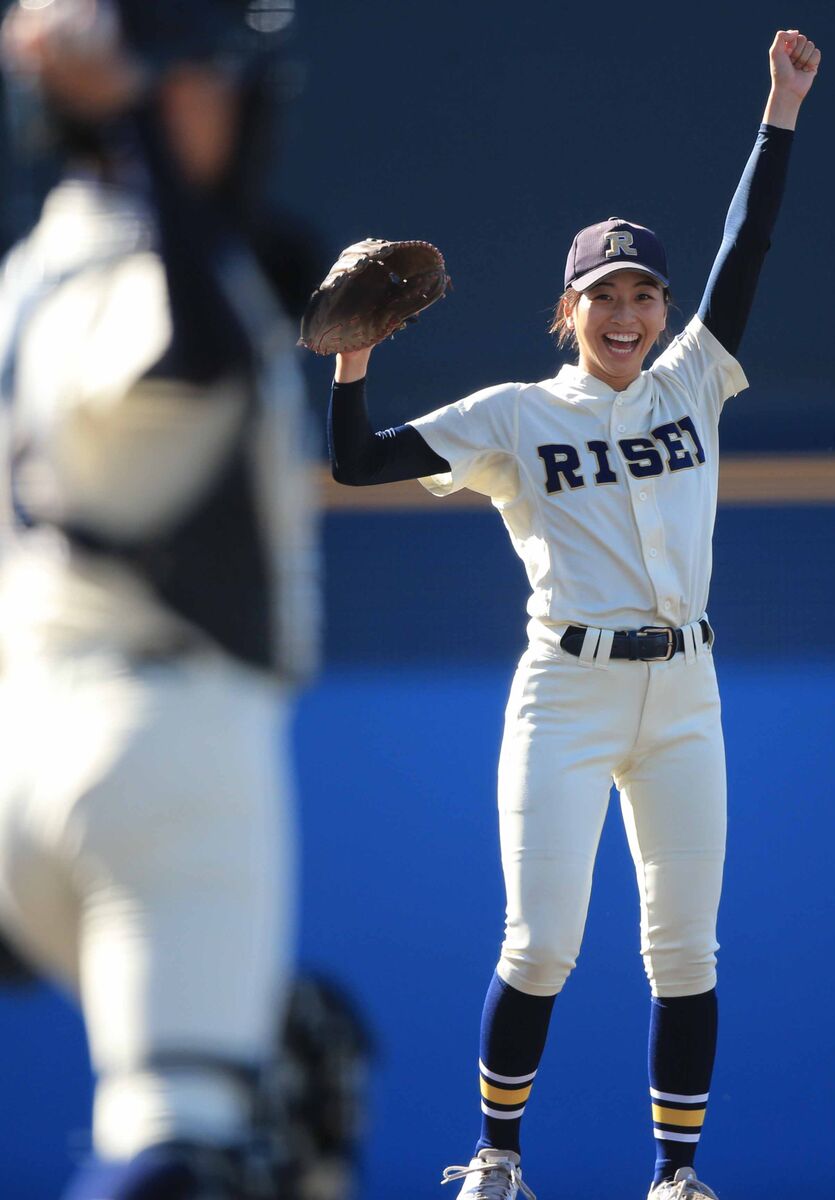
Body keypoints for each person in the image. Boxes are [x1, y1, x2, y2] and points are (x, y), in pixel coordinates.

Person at [321, 26, 821, 1199]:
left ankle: (676, 1175)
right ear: (568, 307)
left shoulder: (693, 376)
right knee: (541, 945)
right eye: (607, 294)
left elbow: (746, 249)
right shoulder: (512, 416)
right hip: (566, 689)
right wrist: (349, 365)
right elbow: (355, 466)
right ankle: (496, 1156)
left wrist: (779, 111)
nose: (631, 313)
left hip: (685, 690)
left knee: (683, 950)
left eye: (646, 292)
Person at [0, 2, 368, 1197]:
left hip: (35, 750)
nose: (233, 94)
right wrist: (138, 113)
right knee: (189, 1156)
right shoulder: (123, 263)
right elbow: (193, 355)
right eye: (204, 73)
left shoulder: (29, 270)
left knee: (284, 1059)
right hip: (161, 740)